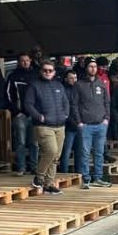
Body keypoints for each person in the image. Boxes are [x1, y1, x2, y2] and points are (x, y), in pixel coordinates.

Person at [24, 61, 70, 194]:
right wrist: (39, 117)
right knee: (51, 151)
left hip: (60, 125)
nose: (48, 72)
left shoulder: (58, 85)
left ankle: (49, 184)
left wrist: (65, 115)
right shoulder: (34, 86)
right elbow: (28, 104)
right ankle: (39, 177)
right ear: (41, 71)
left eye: (50, 70)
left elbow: (66, 102)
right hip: (43, 126)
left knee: (56, 156)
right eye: (45, 70)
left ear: (54, 72)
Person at [74, 59, 111, 188]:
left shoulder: (101, 83)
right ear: (86, 68)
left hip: (101, 124)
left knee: (99, 152)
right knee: (84, 153)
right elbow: (74, 105)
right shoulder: (79, 85)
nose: (93, 69)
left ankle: (98, 178)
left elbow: (107, 102)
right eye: (90, 66)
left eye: (95, 66)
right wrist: (79, 122)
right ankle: (85, 179)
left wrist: (106, 118)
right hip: (86, 125)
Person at [7, 53, 38, 175]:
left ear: (30, 61)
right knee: (20, 142)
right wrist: (16, 112)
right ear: (18, 62)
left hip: (34, 114)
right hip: (20, 115)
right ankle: (21, 167)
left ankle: (34, 167)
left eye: (27, 60)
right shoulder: (13, 76)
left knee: (34, 143)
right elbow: (8, 95)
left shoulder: (36, 75)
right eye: (22, 60)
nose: (25, 62)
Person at [60, 70, 82, 174]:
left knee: (80, 152)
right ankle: (64, 173)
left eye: (75, 78)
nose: (74, 80)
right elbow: (64, 110)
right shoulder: (63, 91)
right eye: (71, 78)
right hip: (68, 126)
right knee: (66, 152)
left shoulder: (79, 90)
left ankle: (79, 173)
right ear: (66, 79)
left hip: (79, 124)